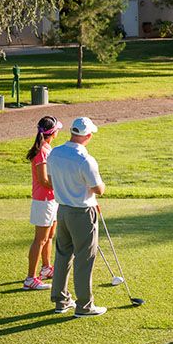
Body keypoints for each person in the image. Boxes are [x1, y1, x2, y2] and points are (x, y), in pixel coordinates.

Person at [47, 116, 107, 317]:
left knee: (63, 255)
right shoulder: (86, 160)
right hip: (82, 213)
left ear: (73, 132)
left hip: (62, 210)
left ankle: (61, 301)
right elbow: (98, 189)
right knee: (84, 258)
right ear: (88, 135)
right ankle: (84, 306)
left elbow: (52, 179)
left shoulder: (55, 153)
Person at [23, 116, 62, 291]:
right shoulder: (41, 152)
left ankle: (46, 268)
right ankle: (30, 279)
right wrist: (63, 185)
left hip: (51, 199)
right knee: (40, 239)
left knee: (49, 236)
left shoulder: (47, 148)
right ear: (52, 132)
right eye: (57, 129)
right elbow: (44, 180)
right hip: (43, 200)